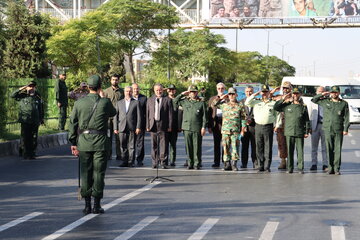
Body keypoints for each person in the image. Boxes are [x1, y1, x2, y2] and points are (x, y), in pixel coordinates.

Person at [69, 75, 116, 215]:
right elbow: (113, 113)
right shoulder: (105, 102)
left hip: (83, 142)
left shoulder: (79, 103)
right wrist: (103, 97)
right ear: (100, 87)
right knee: (98, 173)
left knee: (85, 173)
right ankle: (97, 204)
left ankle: (87, 205)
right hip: (101, 142)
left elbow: (72, 123)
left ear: (88, 87)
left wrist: (73, 142)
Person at [311, 86, 350, 175]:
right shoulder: (326, 101)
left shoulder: (344, 103)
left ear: (339, 93)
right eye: (332, 92)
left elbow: (347, 117)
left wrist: (345, 129)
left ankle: (336, 168)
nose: (334, 94)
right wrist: (322, 94)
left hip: (338, 129)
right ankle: (330, 167)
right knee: (329, 148)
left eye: (336, 92)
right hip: (327, 129)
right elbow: (313, 100)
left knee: (337, 149)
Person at [274, 88, 310, 174]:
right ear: (292, 95)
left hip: (299, 131)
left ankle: (300, 168)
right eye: (294, 94)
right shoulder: (287, 105)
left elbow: (307, 120)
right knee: (289, 151)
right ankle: (290, 168)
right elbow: (276, 107)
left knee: (300, 151)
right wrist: (283, 99)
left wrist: (306, 131)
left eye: (297, 94)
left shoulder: (303, 107)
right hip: (289, 131)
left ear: (300, 95)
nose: (295, 95)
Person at [174, 85, 208, 170]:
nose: (193, 93)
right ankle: (190, 163)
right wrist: (182, 94)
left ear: (197, 92)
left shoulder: (201, 102)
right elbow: (174, 102)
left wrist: (203, 127)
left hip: (197, 127)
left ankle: (197, 163)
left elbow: (204, 117)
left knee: (197, 147)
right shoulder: (185, 101)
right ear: (189, 93)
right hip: (186, 127)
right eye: (191, 92)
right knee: (188, 146)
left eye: (194, 92)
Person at [245, 84, 277, 172]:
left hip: (268, 126)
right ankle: (260, 165)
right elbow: (247, 102)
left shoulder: (272, 103)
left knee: (268, 147)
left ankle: (267, 166)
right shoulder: (256, 101)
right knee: (258, 146)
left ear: (269, 93)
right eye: (263, 92)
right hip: (258, 126)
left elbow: (276, 115)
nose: (264, 94)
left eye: (266, 92)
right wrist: (254, 94)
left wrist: (277, 125)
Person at [213, 88, 246, 171]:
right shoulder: (224, 105)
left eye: (233, 94)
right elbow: (214, 104)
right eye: (230, 94)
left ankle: (234, 163)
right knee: (225, 147)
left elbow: (243, 118)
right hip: (225, 130)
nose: (231, 96)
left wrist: (243, 129)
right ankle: (227, 163)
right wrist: (221, 97)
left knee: (235, 147)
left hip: (235, 130)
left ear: (236, 95)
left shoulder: (240, 105)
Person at [11, 81, 44, 159]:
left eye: (33, 86)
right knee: (25, 137)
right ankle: (25, 152)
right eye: (30, 86)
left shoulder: (37, 96)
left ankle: (32, 152)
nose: (32, 88)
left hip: (35, 120)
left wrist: (41, 119)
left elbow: (41, 108)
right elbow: (12, 95)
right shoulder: (22, 96)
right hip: (25, 120)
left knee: (34, 137)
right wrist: (23, 88)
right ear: (27, 87)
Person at [146, 84, 173, 169]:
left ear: (163, 90)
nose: (159, 91)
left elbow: (170, 114)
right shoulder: (150, 100)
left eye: (160, 90)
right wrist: (147, 125)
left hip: (163, 125)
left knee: (163, 144)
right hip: (153, 124)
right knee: (154, 144)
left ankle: (163, 162)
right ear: (154, 91)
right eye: (157, 90)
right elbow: (147, 113)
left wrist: (170, 125)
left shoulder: (167, 100)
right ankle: (154, 162)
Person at [113, 86, 141, 168]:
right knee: (123, 145)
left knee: (131, 146)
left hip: (132, 127)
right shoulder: (119, 102)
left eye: (130, 91)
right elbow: (115, 116)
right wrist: (115, 128)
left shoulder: (136, 102)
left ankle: (130, 161)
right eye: (126, 91)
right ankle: (124, 161)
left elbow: (139, 116)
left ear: (132, 92)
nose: (128, 93)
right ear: (124, 92)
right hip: (121, 127)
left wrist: (138, 127)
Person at [308, 86, 328, 171]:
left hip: (325, 126)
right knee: (314, 147)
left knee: (325, 147)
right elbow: (309, 114)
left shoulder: (327, 101)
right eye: (319, 91)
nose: (320, 93)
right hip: (315, 125)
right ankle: (314, 164)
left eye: (322, 91)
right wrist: (309, 127)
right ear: (316, 92)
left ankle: (325, 164)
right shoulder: (313, 101)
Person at [103, 74, 124, 160]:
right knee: (108, 137)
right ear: (110, 81)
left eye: (116, 80)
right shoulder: (106, 91)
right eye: (113, 80)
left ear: (118, 81)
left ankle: (119, 155)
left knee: (118, 138)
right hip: (108, 118)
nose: (114, 81)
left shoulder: (122, 91)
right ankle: (108, 154)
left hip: (118, 118)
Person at [208, 82, 227, 168]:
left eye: (222, 88)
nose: (220, 90)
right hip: (216, 124)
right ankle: (216, 162)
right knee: (216, 144)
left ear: (224, 89)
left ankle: (225, 161)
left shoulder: (228, 98)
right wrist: (209, 126)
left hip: (225, 123)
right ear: (216, 89)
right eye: (219, 88)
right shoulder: (212, 99)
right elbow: (209, 112)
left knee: (225, 144)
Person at [274, 81, 292, 170]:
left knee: (290, 143)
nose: (285, 90)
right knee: (281, 143)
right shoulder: (279, 98)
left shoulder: (294, 98)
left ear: (290, 88)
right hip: (280, 124)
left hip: (290, 124)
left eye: (287, 88)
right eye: (284, 88)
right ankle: (283, 161)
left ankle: (290, 161)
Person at [240, 86, 257, 169]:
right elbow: (239, 114)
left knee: (255, 146)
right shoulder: (241, 102)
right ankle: (244, 163)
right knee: (244, 146)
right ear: (245, 92)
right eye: (247, 91)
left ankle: (255, 163)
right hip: (244, 127)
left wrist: (252, 119)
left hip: (254, 127)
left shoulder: (256, 101)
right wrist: (244, 121)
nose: (249, 93)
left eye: (250, 91)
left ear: (253, 92)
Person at [166, 84, 183, 167]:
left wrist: (180, 126)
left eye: (173, 90)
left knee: (173, 145)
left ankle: (172, 160)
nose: (171, 91)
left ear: (175, 91)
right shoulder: (165, 99)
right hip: (165, 126)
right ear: (167, 90)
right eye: (170, 89)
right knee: (164, 145)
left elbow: (180, 114)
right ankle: (164, 160)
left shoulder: (179, 101)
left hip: (175, 126)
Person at [132, 83, 147, 167]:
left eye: (137, 89)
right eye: (134, 89)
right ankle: (131, 158)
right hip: (130, 124)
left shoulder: (144, 98)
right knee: (131, 143)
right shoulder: (128, 98)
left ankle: (140, 159)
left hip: (141, 124)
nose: (135, 90)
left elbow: (146, 112)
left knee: (140, 143)